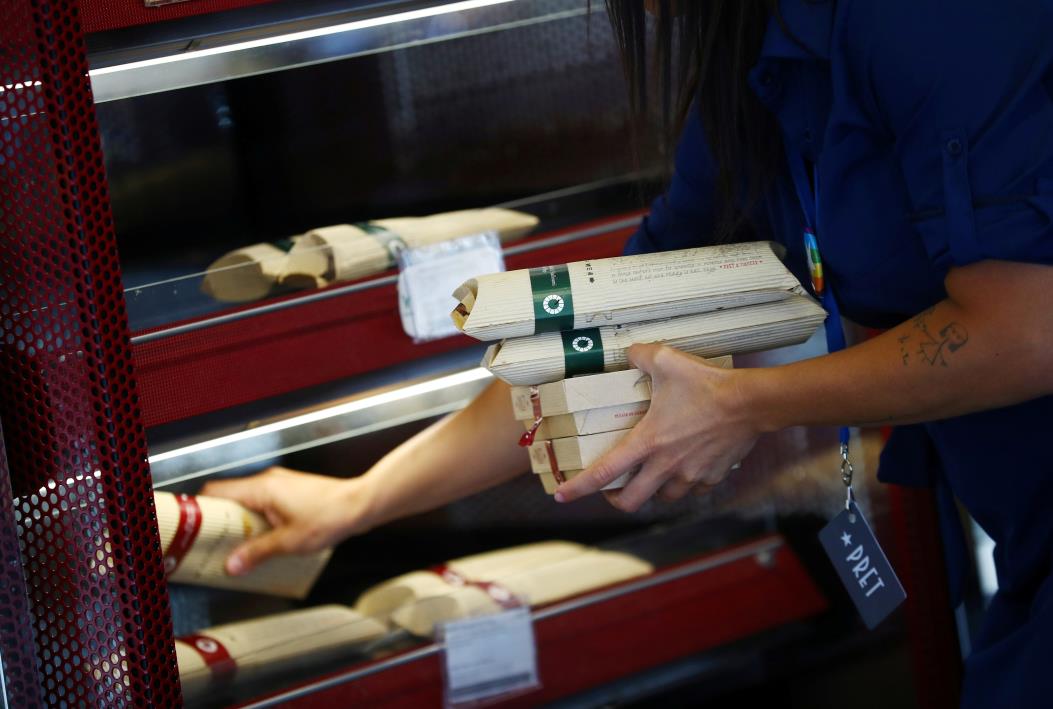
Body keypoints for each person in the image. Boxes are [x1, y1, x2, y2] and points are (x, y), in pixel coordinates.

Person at [204, 1, 1053, 705]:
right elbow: (609, 339)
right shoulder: (753, 68)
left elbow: (1028, 327)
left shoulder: (927, 20)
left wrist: (746, 405)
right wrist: (357, 502)